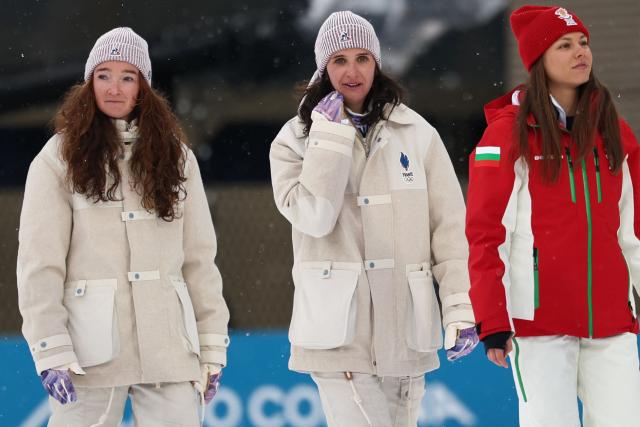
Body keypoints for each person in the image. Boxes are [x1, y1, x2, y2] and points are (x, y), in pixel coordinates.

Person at [269, 11, 478, 426]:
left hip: (406, 333)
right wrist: (328, 139)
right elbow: (313, 217)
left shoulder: (418, 134)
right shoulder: (294, 140)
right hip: (339, 335)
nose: (352, 71)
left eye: (363, 57)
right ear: (322, 69)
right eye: (339, 60)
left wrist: (459, 308)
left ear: (377, 64)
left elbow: (450, 231)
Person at [17, 27, 230, 426]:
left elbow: (200, 261)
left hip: (169, 348)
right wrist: (51, 350)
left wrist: (211, 344)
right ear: (89, 83)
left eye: (127, 77)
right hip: (88, 354)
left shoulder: (179, 159)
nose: (114, 88)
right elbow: (39, 265)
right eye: (104, 75)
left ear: (143, 88)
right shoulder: (56, 160)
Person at [466, 5, 640, 427]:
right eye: (564, 45)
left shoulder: (612, 130)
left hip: (611, 320)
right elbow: (486, 232)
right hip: (539, 324)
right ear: (538, 59)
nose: (580, 52)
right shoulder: (507, 133)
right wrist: (492, 316)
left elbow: (633, 227)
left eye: (583, 42)